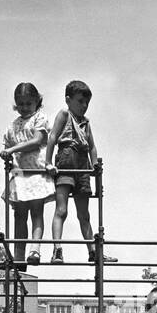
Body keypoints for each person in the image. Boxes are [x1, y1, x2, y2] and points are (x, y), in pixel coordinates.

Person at [44, 79, 117, 265]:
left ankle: (93, 251)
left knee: (84, 214)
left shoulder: (86, 122)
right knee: (62, 210)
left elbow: (92, 146)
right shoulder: (64, 114)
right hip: (67, 161)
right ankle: (57, 249)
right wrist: (48, 162)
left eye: (87, 103)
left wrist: (94, 166)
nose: (84, 106)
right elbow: (52, 137)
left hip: (82, 165)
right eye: (80, 101)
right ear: (68, 100)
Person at [0, 82, 54, 267]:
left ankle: (35, 250)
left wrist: (12, 149)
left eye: (28, 104)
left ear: (36, 101)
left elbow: (37, 140)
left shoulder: (40, 118)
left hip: (36, 172)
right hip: (21, 174)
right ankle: (19, 256)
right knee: (19, 215)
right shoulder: (13, 126)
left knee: (37, 212)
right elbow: (7, 148)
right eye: (21, 104)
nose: (24, 108)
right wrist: (6, 155)